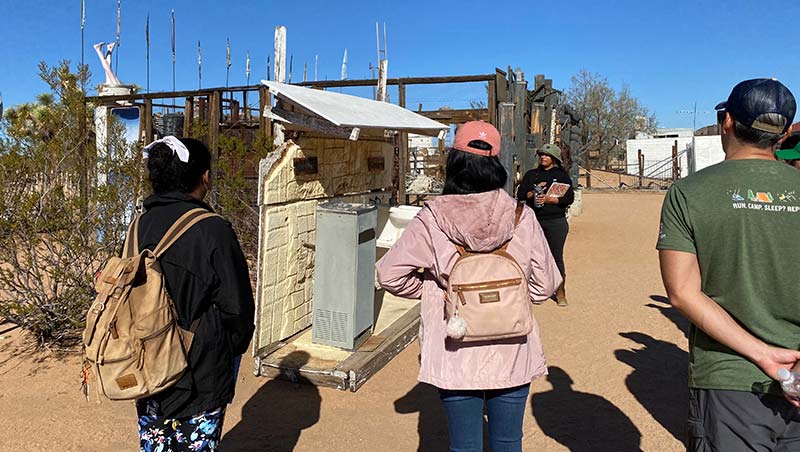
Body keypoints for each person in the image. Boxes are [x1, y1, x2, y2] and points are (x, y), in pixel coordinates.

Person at [376, 121, 561, 452]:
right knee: (508, 442)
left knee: (464, 447)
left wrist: (437, 291)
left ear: (455, 162)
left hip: (455, 346)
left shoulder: (431, 218)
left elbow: (389, 275)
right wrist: (511, 299)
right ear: (496, 163)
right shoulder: (521, 215)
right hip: (513, 347)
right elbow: (546, 283)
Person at [657, 79, 800, 451]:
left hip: (728, 378)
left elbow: (682, 293)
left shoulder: (688, 193)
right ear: (783, 133)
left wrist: (762, 353)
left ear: (727, 121)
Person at [136, 136, 255, 452]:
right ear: (204, 176)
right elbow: (238, 308)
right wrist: (229, 348)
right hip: (200, 367)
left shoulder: (138, 224)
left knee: (156, 442)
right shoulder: (212, 228)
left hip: (147, 360)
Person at [516, 144, 575, 306]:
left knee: (556, 256)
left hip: (555, 221)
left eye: (547, 155)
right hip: (533, 221)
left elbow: (569, 197)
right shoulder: (531, 175)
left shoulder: (562, 175)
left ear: (554, 158)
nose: (543, 157)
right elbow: (521, 194)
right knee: (529, 257)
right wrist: (533, 193)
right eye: (541, 155)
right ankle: (532, 290)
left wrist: (550, 199)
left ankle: (561, 291)